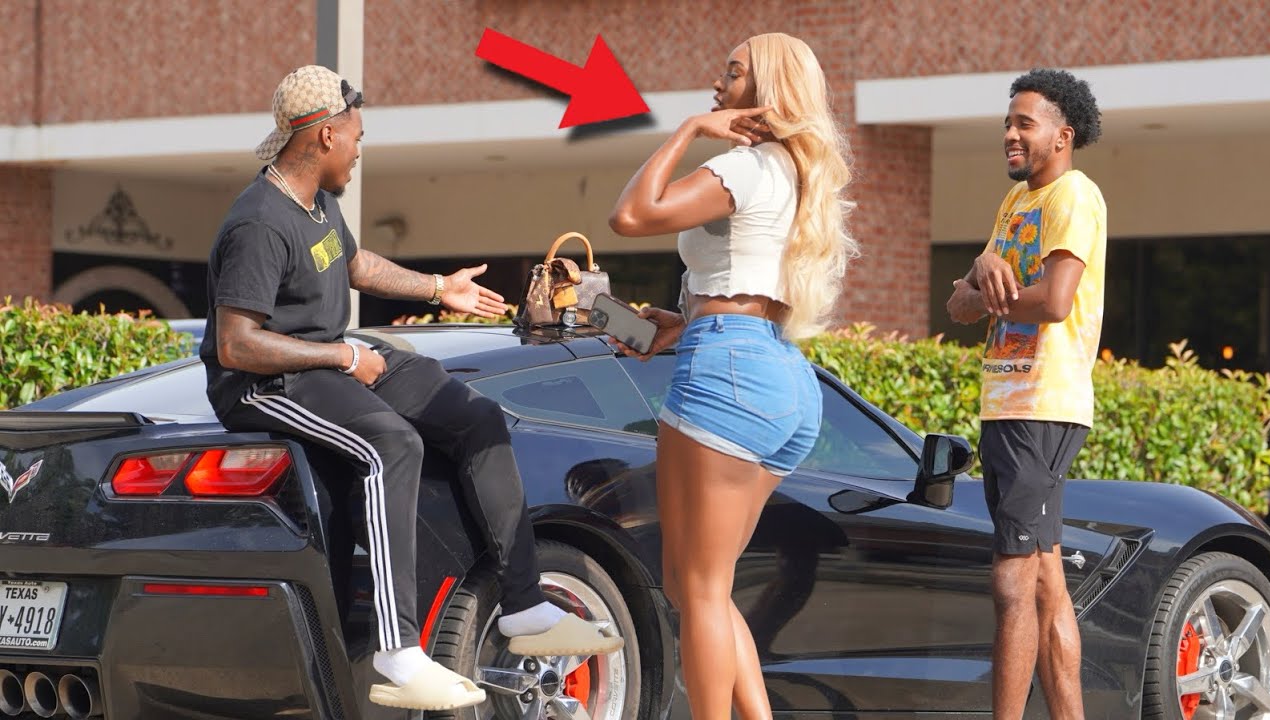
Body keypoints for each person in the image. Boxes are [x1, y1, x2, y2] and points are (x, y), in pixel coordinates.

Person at [199, 65, 622, 712]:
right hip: (263, 384)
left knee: (476, 418)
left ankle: (525, 605)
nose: (359, 149)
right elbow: (236, 345)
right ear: (324, 136)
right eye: (356, 136)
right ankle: (397, 655)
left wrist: (437, 287)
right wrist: (344, 356)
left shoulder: (317, 202)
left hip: (323, 362)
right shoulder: (259, 222)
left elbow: (355, 263)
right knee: (391, 444)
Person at [608, 34, 855, 720]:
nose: (718, 84)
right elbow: (746, 278)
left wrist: (689, 130)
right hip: (779, 374)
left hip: (730, 371)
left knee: (699, 589)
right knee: (702, 590)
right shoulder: (794, 172)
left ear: (766, 89)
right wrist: (684, 322)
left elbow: (631, 216)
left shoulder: (746, 165)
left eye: (734, 72)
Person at [945, 67, 1105, 720]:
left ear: (1062, 136)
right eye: (1007, 123)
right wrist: (983, 268)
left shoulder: (1074, 195)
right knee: (1044, 583)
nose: (1010, 134)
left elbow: (1056, 301)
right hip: (1009, 406)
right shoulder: (1016, 203)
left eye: (1024, 124)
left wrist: (985, 284)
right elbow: (959, 303)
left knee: (1011, 581)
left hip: (1042, 404)